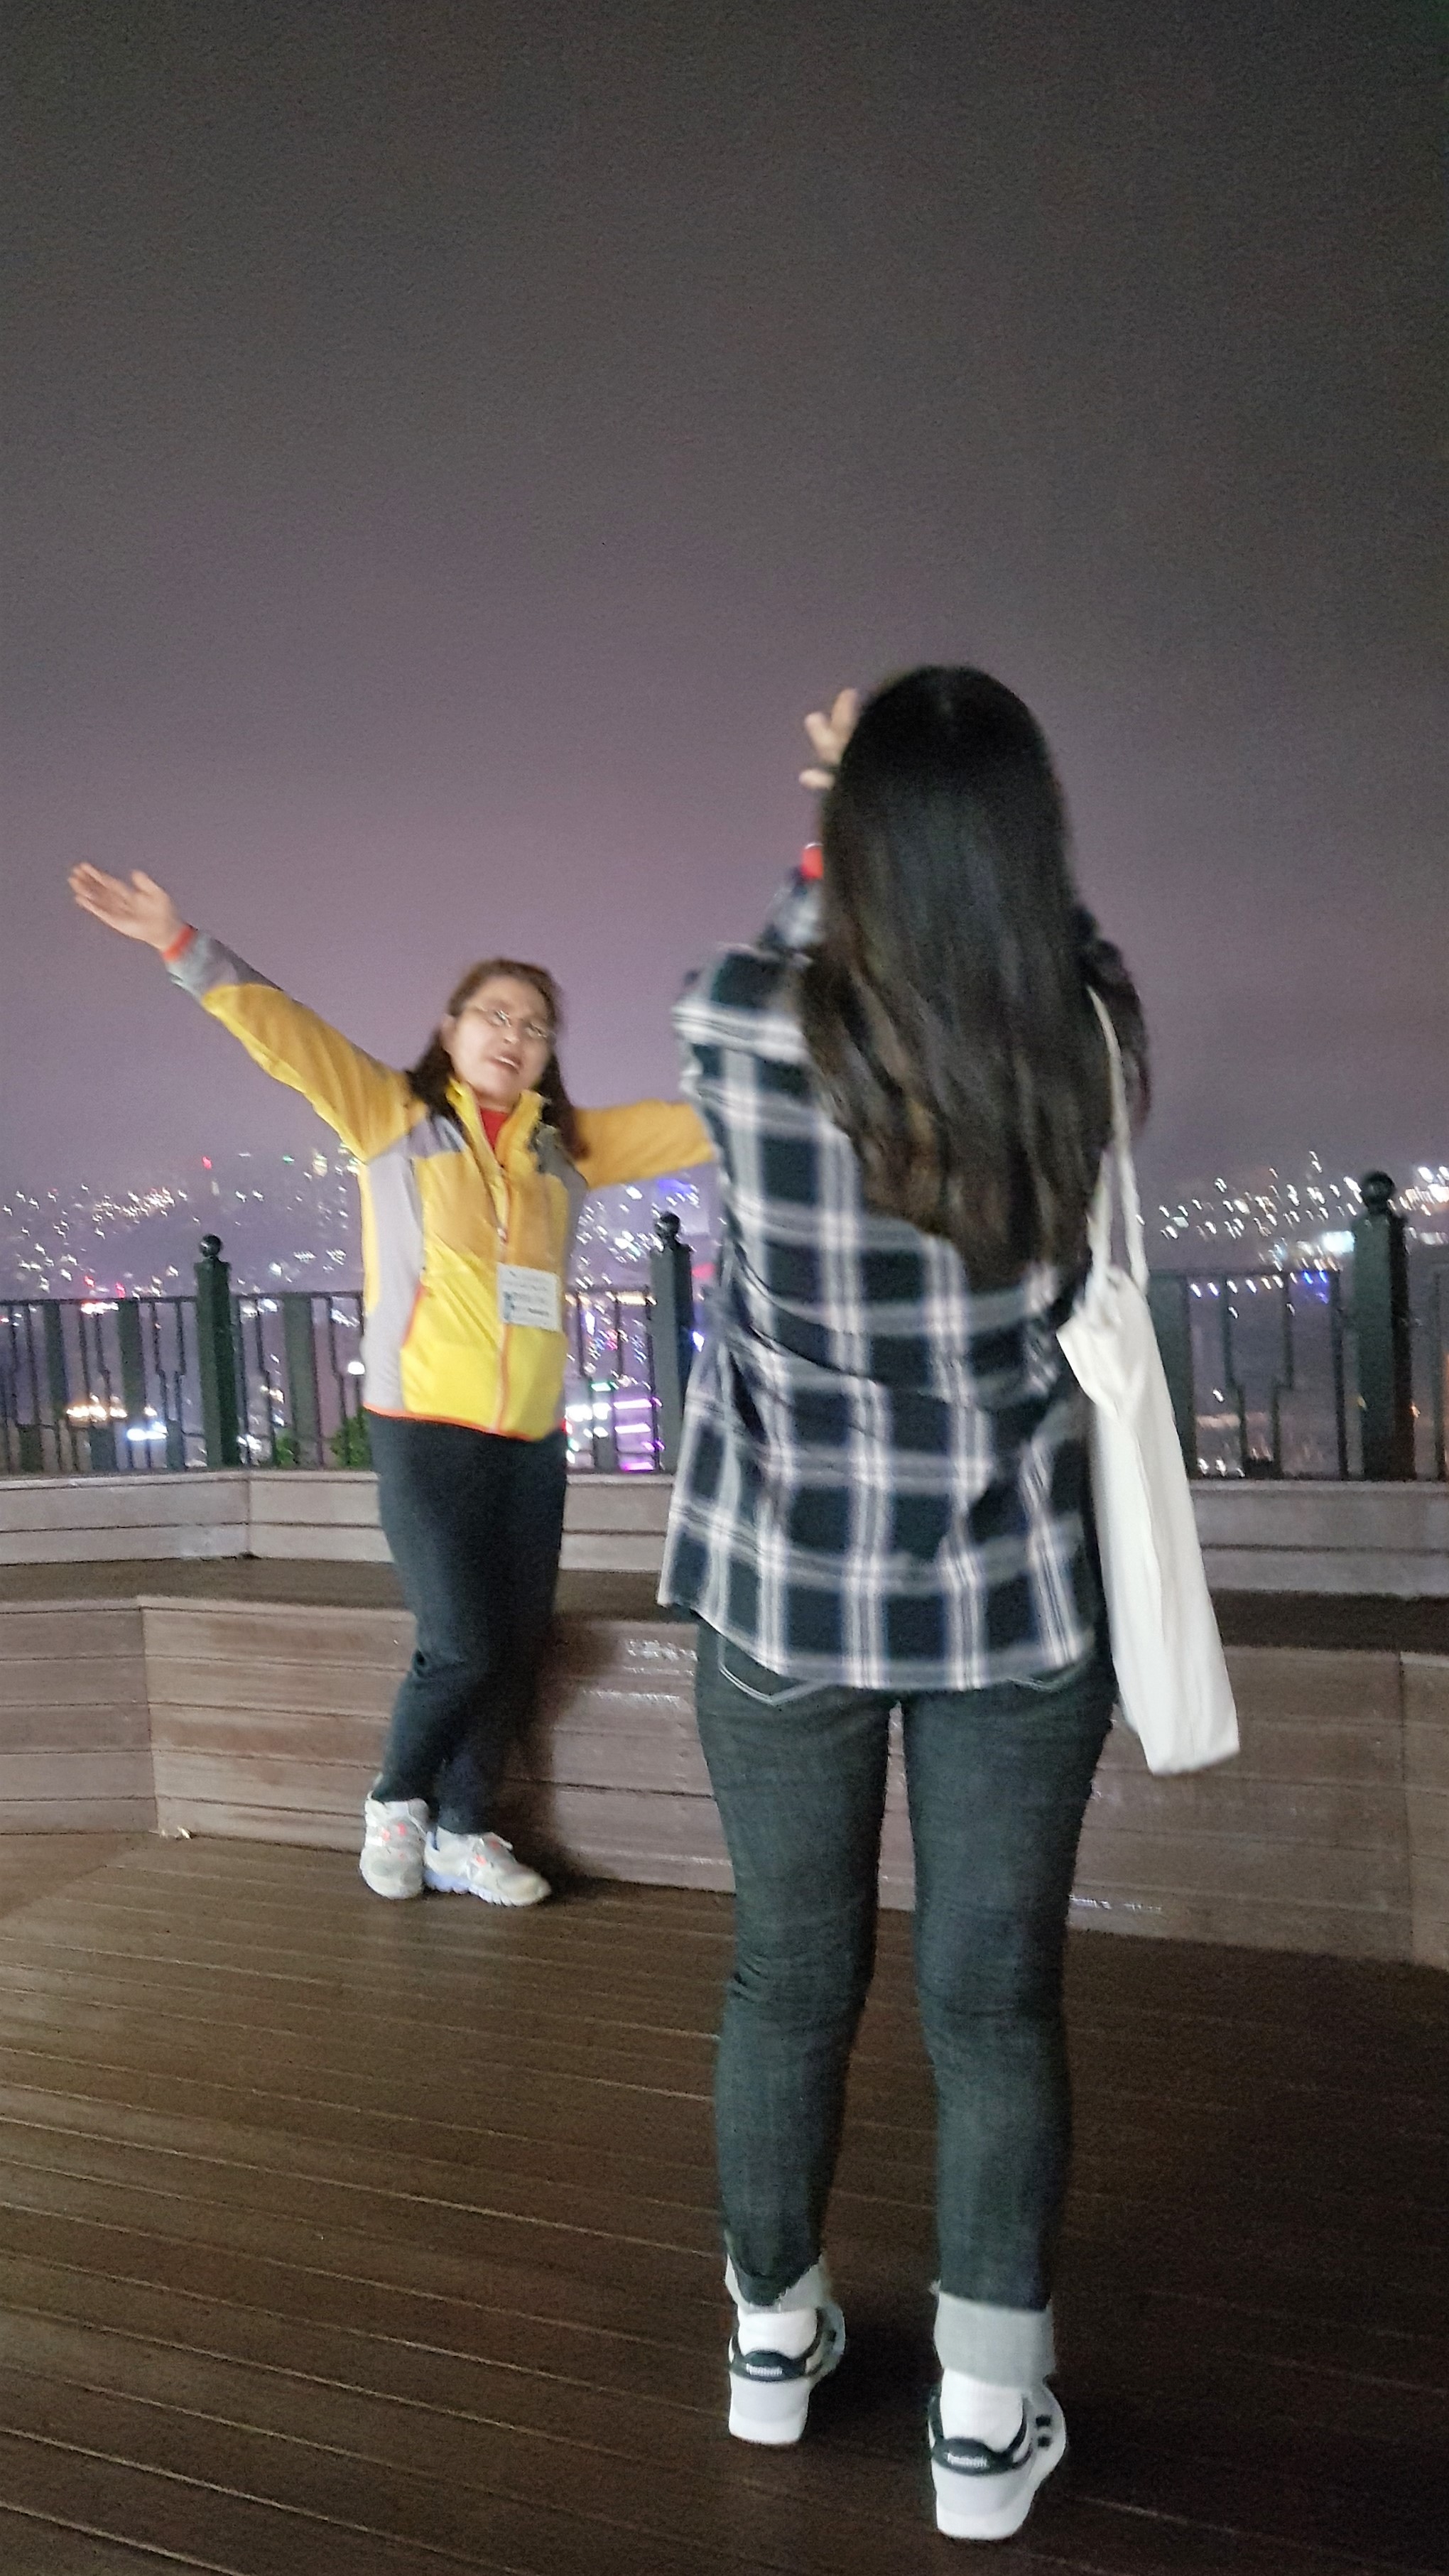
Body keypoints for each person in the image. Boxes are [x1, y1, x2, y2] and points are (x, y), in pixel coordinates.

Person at [659, 670, 1148, 2543]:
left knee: (788, 1973)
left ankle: (770, 2342)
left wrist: (827, 831)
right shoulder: (1082, 1037)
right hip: (1010, 1593)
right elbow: (1071, 949)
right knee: (993, 2000)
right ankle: (986, 2416)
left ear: (849, 841)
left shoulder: (734, 1018)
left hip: (785, 1585)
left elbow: (783, 953)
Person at [70, 862, 710, 1908]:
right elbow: (287, 1036)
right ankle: (396, 1800)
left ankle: (466, 1830)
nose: (513, 1034)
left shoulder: (568, 1151)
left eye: (535, 1025)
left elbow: (706, 1122)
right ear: (450, 1031)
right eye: (494, 1014)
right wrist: (181, 944)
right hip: (423, 1426)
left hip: (531, 1439)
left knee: (516, 1645)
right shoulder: (393, 1118)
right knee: (460, 1640)